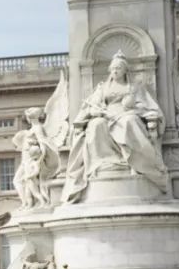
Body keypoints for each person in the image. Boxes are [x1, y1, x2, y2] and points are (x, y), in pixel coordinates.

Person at [62, 50, 168, 203]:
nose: (115, 71)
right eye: (113, 68)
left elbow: (144, 104)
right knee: (96, 125)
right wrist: (96, 111)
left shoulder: (134, 87)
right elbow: (92, 106)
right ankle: (102, 163)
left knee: (129, 122)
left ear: (125, 70)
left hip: (128, 114)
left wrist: (134, 108)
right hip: (106, 115)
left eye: (118, 68)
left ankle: (135, 161)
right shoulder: (103, 87)